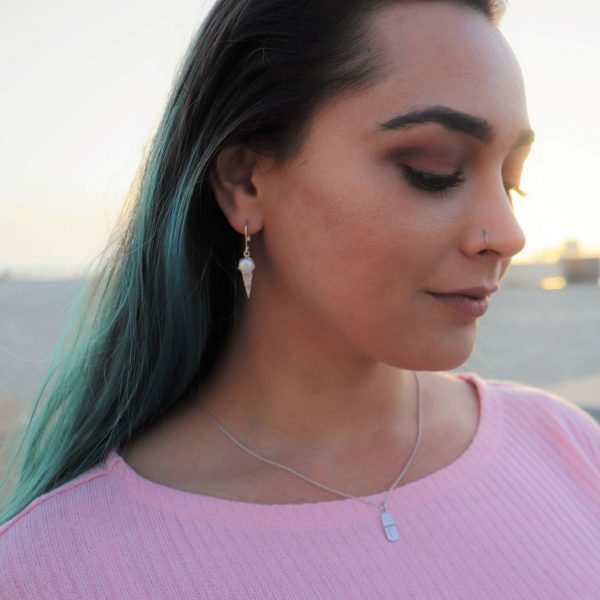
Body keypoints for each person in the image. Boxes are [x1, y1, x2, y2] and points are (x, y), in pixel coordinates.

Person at [1, 0, 600, 597]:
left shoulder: (567, 447)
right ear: (245, 181)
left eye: (512, 179)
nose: (510, 234)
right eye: (432, 169)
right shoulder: (51, 568)